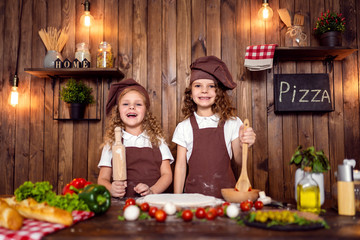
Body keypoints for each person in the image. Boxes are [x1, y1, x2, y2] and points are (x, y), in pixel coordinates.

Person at [172, 56, 256, 198]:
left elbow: (239, 160)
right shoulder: (183, 127)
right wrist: (177, 199)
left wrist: (245, 144)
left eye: (211, 86)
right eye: (198, 85)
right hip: (193, 200)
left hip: (227, 198)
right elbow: (180, 167)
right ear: (190, 92)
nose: (204, 91)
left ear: (218, 93)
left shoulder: (233, 123)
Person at [98, 78, 174, 198]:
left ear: (146, 111)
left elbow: (167, 175)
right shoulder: (112, 143)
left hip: (154, 202)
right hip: (122, 204)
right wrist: (111, 189)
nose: (132, 107)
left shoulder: (158, 140)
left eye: (138, 104)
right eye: (126, 104)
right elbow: (102, 179)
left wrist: (152, 191)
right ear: (118, 111)